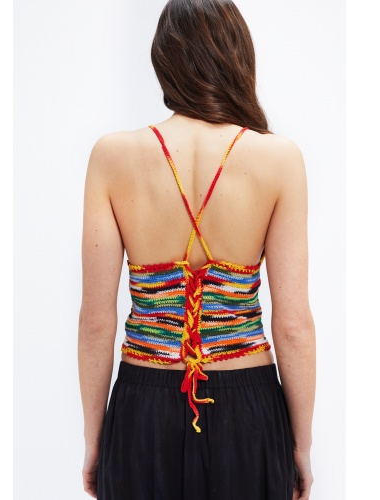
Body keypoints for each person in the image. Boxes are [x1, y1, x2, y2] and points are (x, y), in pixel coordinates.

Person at [78, 1, 316, 499]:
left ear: (163, 59)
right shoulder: (279, 158)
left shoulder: (111, 156)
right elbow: (293, 326)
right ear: (238, 55)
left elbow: (97, 321)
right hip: (248, 411)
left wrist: (95, 441)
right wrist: (302, 445)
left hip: (142, 408)